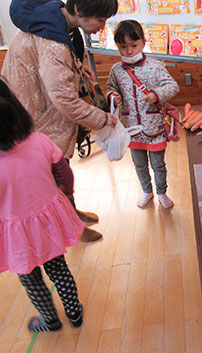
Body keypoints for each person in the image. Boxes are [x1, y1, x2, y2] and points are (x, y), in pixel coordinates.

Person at [1, 0, 119, 242]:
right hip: (33, 117)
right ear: (77, 10)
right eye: (100, 19)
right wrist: (103, 118)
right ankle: (70, 227)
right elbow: (64, 99)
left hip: (36, 111)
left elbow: (56, 68)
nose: (101, 27)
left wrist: (77, 67)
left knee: (59, 170)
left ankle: (72, 214)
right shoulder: (51, 40)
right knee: (53, 175)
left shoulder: (55, 22)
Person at [0, 78, 85, 332]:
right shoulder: (39, 140)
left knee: (30, 279)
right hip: (48, 222)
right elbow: (64, 173)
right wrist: (66, 193)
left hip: (16, 233)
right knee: (59, 270)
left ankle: (50, 320)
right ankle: (75, 314)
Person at [107, 20, 180, 209]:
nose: (128, 51)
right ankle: (147, 191)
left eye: (133, 45)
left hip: (153, 127)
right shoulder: (116, 70)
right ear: (117, 46)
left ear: (143, 42)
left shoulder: (155, 66)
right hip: (130, 128)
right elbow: (110, 89)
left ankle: (162, 192)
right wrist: (112, 96)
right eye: (123, 47)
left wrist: (156, 95)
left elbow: (172, 86)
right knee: (139, 164)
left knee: (158, 165)